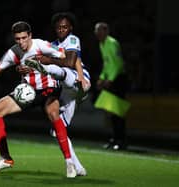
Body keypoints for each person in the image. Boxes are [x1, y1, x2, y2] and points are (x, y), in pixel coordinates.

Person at [0, 21, 77, 178]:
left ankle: (69, 162)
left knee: (53, 113)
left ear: (30, 35)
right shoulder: (13, 52)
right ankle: (5, 158)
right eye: (18, 39)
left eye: (24, 38)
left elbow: (66, 57)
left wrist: (43, 61)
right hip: (28, 92)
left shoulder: (41, 45)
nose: (21, 42)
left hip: (49, 89)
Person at [17, 12, 91, 176]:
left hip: (79, 81)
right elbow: (40, 60)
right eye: (58, 27)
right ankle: (77, 167)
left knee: (63, 70)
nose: (61, 30)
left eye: (64, 27)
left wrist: (46, 61)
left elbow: (73, 61)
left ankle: (73, 87)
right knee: (58, 130)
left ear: (70, 27)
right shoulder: (52, 45)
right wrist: (28, 68)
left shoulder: (73, 39)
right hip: (66, 90)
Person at [94, 22, 128, 150]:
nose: (97, 33)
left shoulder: (112, 43)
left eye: (99, 31)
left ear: (106, 31)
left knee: (118, 112)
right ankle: (115, 138)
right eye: (96, 31)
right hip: (111, 79)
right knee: (111, 111)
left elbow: (118, 64)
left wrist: (111, 80)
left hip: (119, 79)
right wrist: (102, 78)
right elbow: (107, 64)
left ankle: (121, 140)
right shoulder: (101, 44)